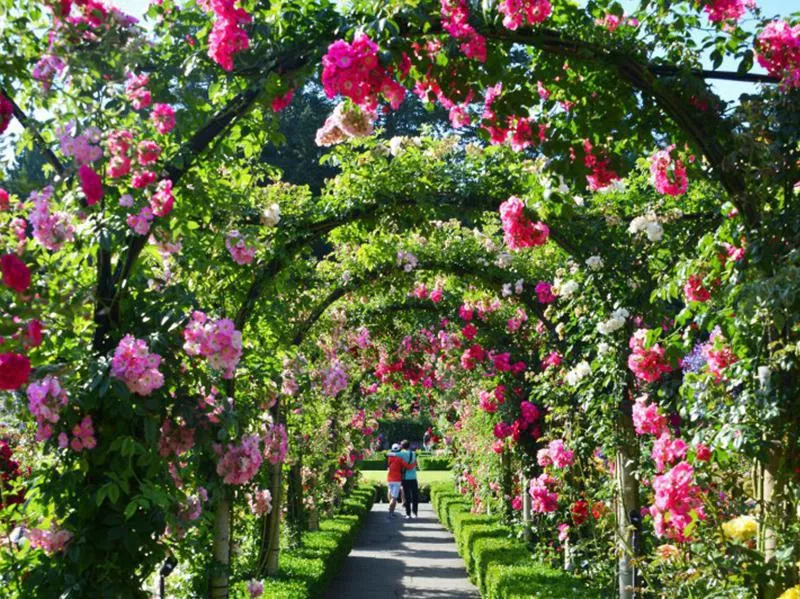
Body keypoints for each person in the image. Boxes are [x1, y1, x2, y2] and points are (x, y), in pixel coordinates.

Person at [386, 442, 414, 519]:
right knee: (394, 497)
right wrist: (414, 464)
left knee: (390, 493)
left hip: (389, 478)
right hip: (397, 479)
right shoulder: (400, 459)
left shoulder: (390, 458)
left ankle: (391, 510)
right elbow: (408, 467)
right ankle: (390, 513)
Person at [397, 439, 419, 518]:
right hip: (413, 477)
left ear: (402, 446)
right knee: (415, 495)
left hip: (405, 477)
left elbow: (391, 454)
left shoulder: (401, 454)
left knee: (407, 496)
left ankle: (408, 513)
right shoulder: (413, 453)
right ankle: (415, 512)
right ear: (409, 446)